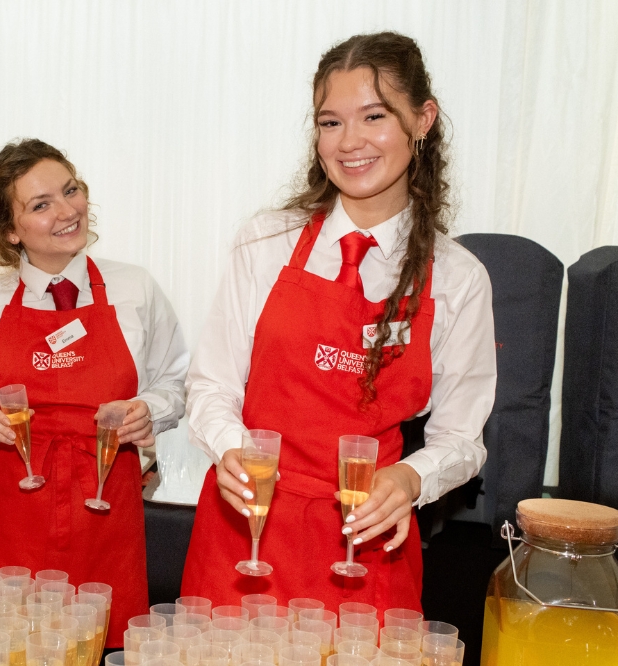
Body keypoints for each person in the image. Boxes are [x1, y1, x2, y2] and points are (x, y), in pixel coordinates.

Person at [180, 32, 496, 611]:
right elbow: (211, 384)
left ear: (422, 119)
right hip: (247, 524)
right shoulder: (267, 240)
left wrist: (409, 480)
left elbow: (461, 438)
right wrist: (230, 450)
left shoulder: (457, 277)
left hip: (370, 535)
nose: (349, 142)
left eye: (373, 116)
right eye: (330, 123)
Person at [0, 139, 188, 645]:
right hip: (2, 527)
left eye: (71, 190)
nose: (68, 210)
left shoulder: (134, 289)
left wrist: (150, 412)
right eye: (41, 204)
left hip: (103, 521)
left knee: (96, 650)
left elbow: (174, 384)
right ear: (10, 231)